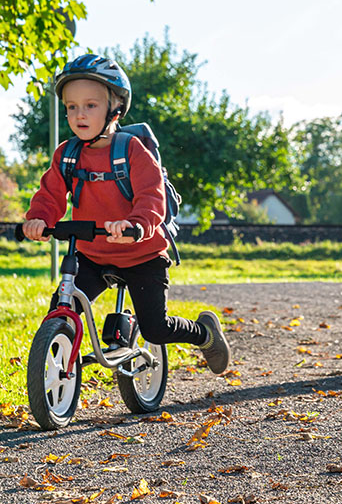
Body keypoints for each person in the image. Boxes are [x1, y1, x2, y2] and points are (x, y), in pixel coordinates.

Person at [22, 54, 230, 373]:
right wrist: (38, 219)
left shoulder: (131, 149)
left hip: (141, 253)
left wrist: (137, 224)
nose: (79, 114)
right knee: (62, 310)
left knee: (155, 328)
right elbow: (50, 194)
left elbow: (151, 195)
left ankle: (204, 334)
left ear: (115, 107)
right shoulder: (67, 155)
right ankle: (58, 373)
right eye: (71, 107)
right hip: (92, 253)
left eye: (90, 105)